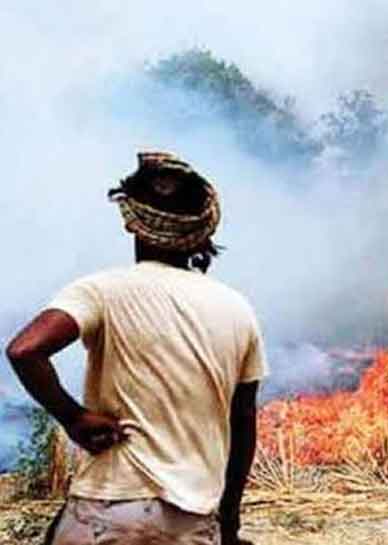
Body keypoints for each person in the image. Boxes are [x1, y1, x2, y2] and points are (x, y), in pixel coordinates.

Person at [5, 151, 267, 544]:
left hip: (108, 508)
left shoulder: (101, 291)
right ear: (201, 231)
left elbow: (25, 350)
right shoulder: (237, 308)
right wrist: (228, 521)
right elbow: (243, 425)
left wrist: (73, 417)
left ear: (131, 223)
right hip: (191, 518)